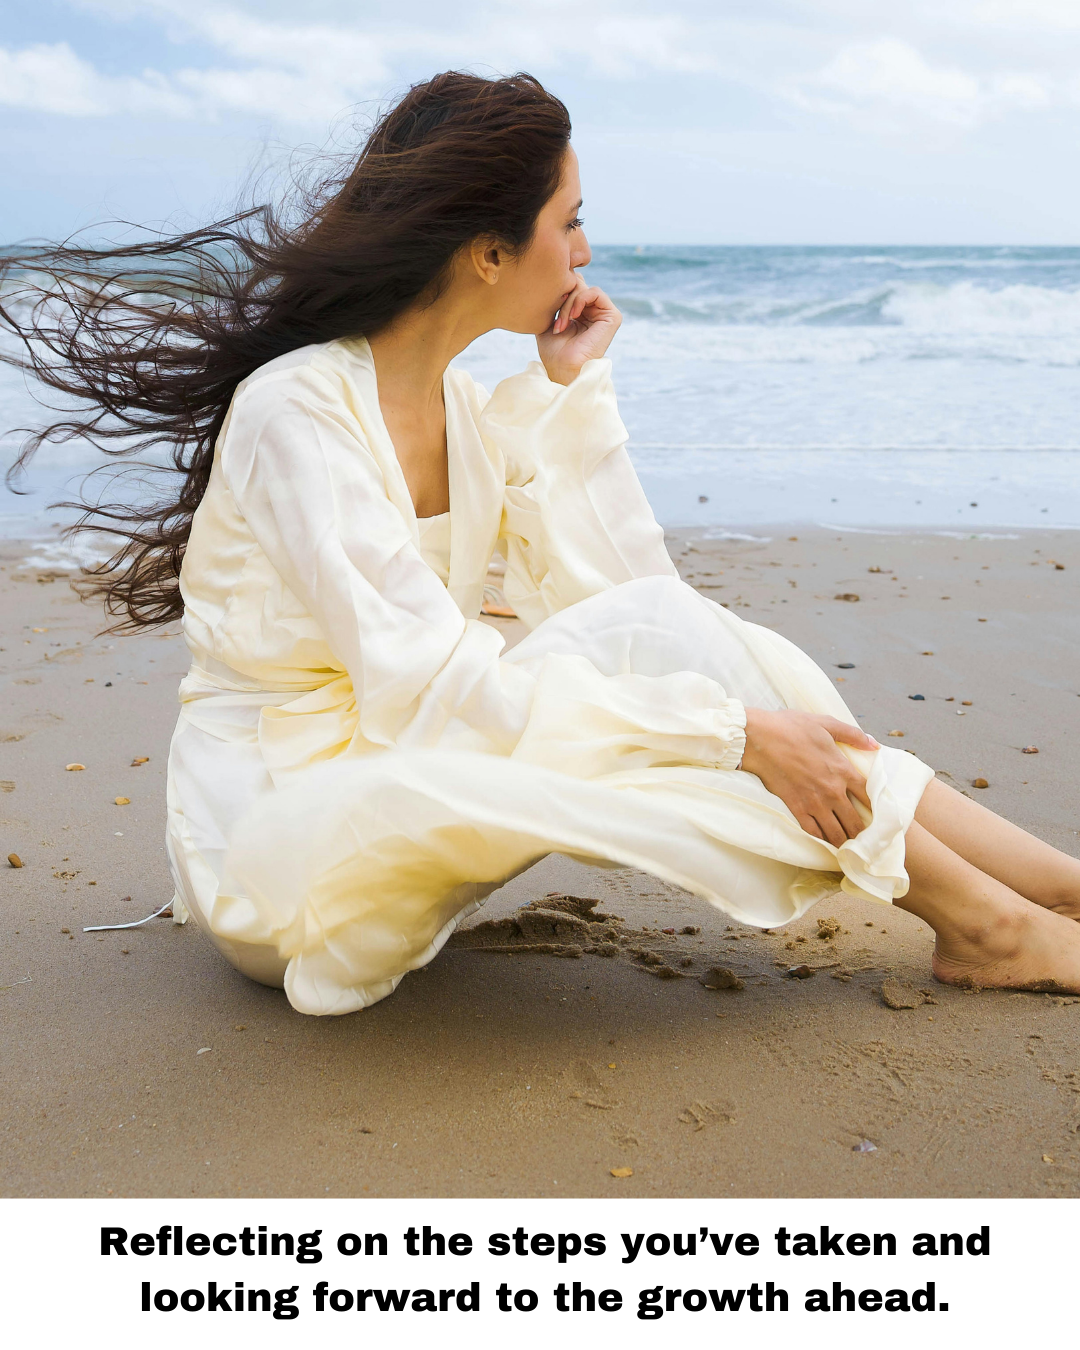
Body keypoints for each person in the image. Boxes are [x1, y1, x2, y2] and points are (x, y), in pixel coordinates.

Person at [5, 72, 1080, 1016]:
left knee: (685, 657)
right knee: (709, 709)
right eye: (569, 222)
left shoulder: (467, 418)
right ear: (487, 252)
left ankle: (1044, 892)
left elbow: (625, 594)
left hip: (391, 780)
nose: (585, 252)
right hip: (281, 843)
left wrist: (572, 388)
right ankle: (995, 922)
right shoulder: (299, 411)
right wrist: (734, 737)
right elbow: (435, 689)